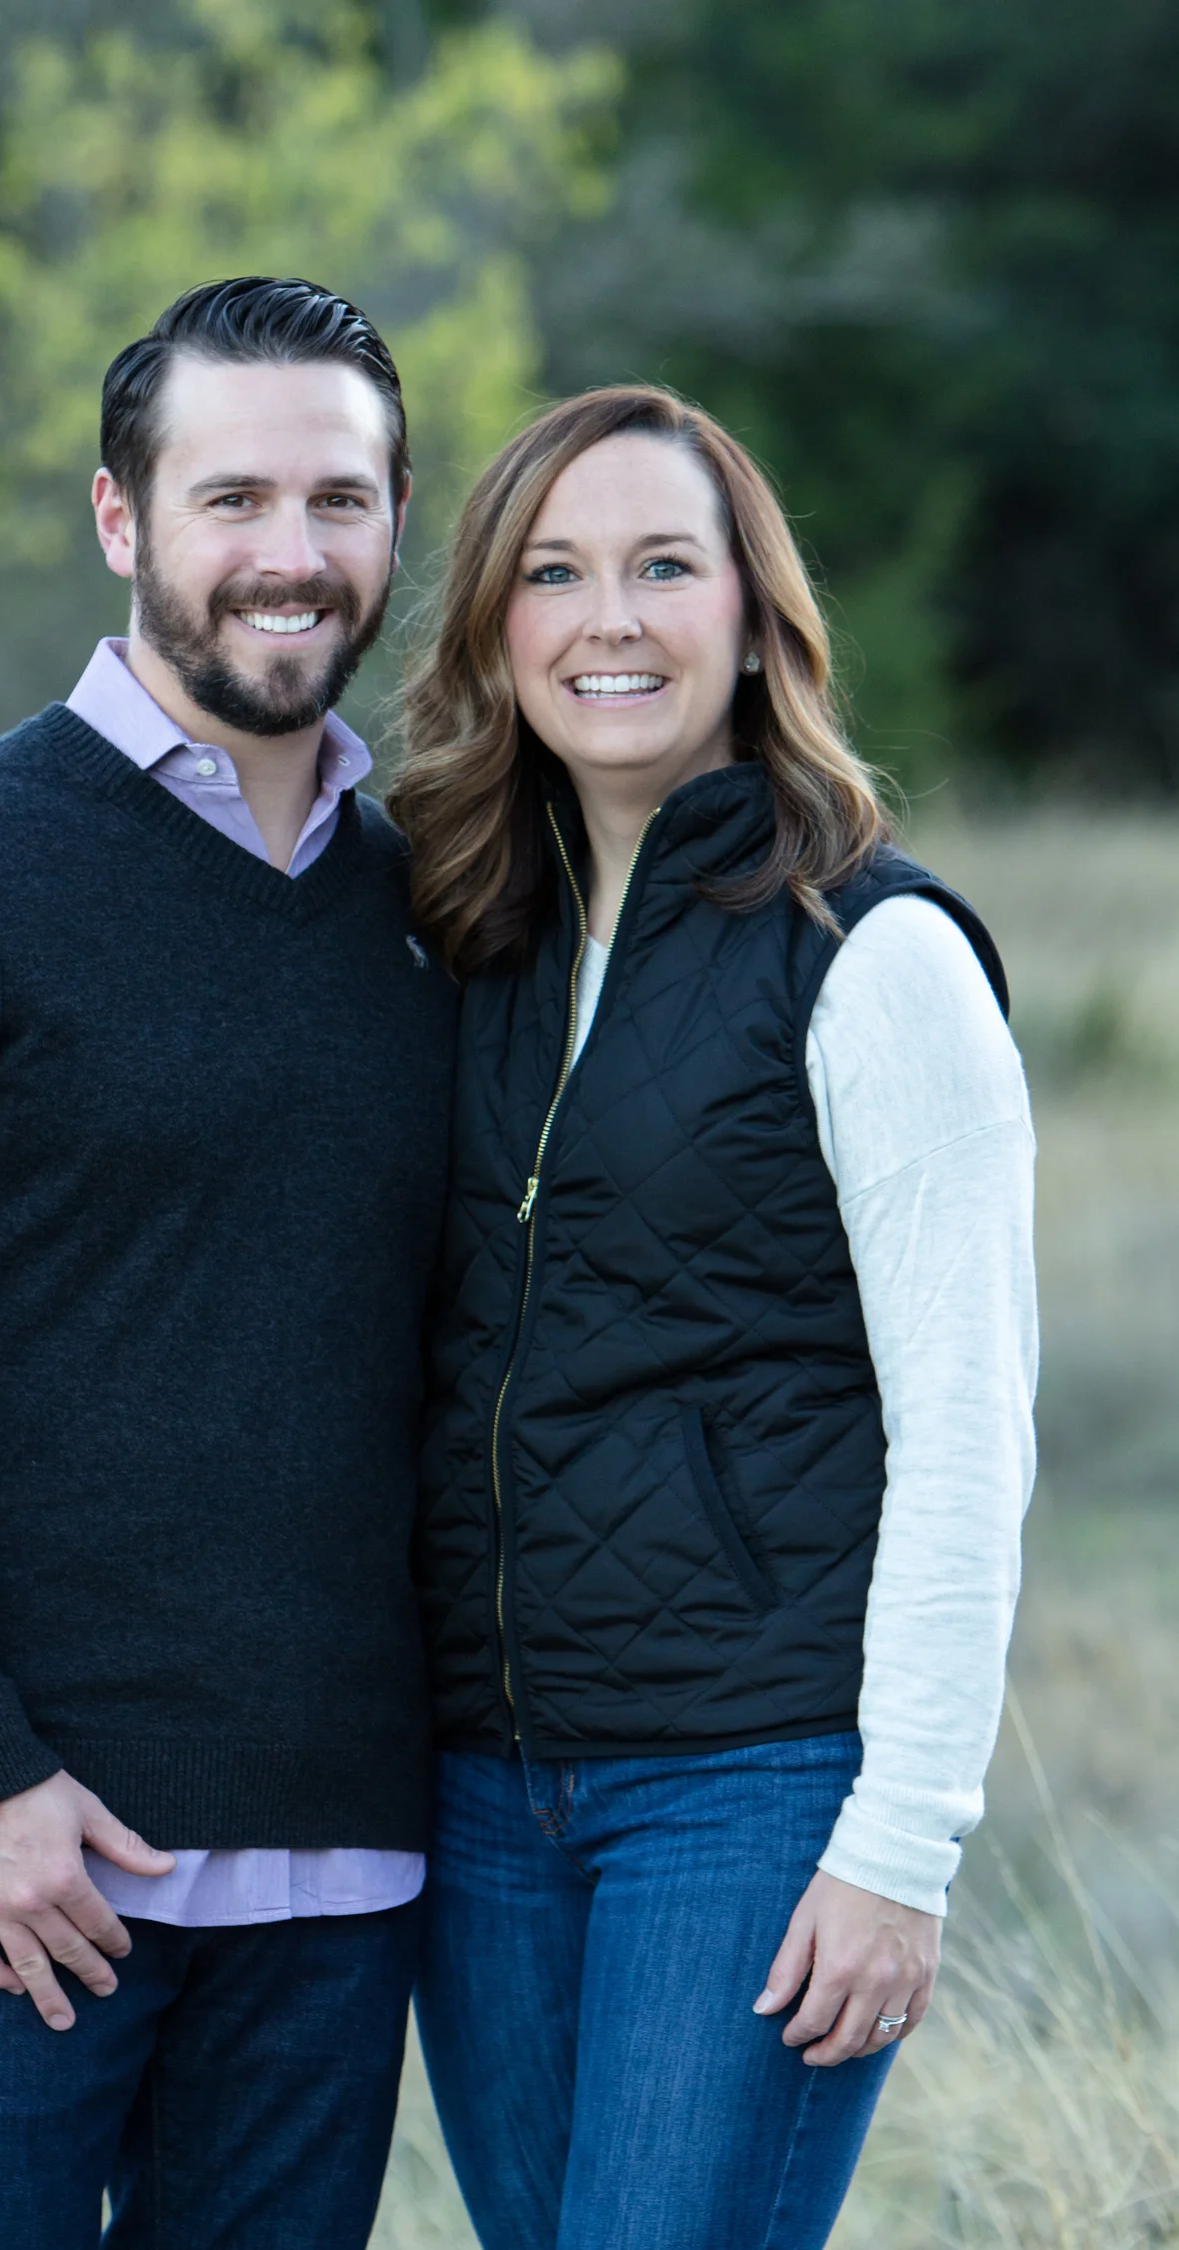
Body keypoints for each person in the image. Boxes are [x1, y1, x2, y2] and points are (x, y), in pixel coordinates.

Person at [0, 276, 458, 2250]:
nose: (291, 554)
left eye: (339, 499)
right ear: (122, 518)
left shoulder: (441, 902)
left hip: (335, 1879)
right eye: (233, 500)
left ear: (398, 521)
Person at [388, 384, 1037, 2250]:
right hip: (484, 1793)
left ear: (755, 619)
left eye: (665, 567)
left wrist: (900, 1846)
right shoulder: (466, 939)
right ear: (494, 630)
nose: (610, 619)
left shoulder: (873, 952)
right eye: (554, 573)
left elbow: (971, 1428)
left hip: (750, 1785)